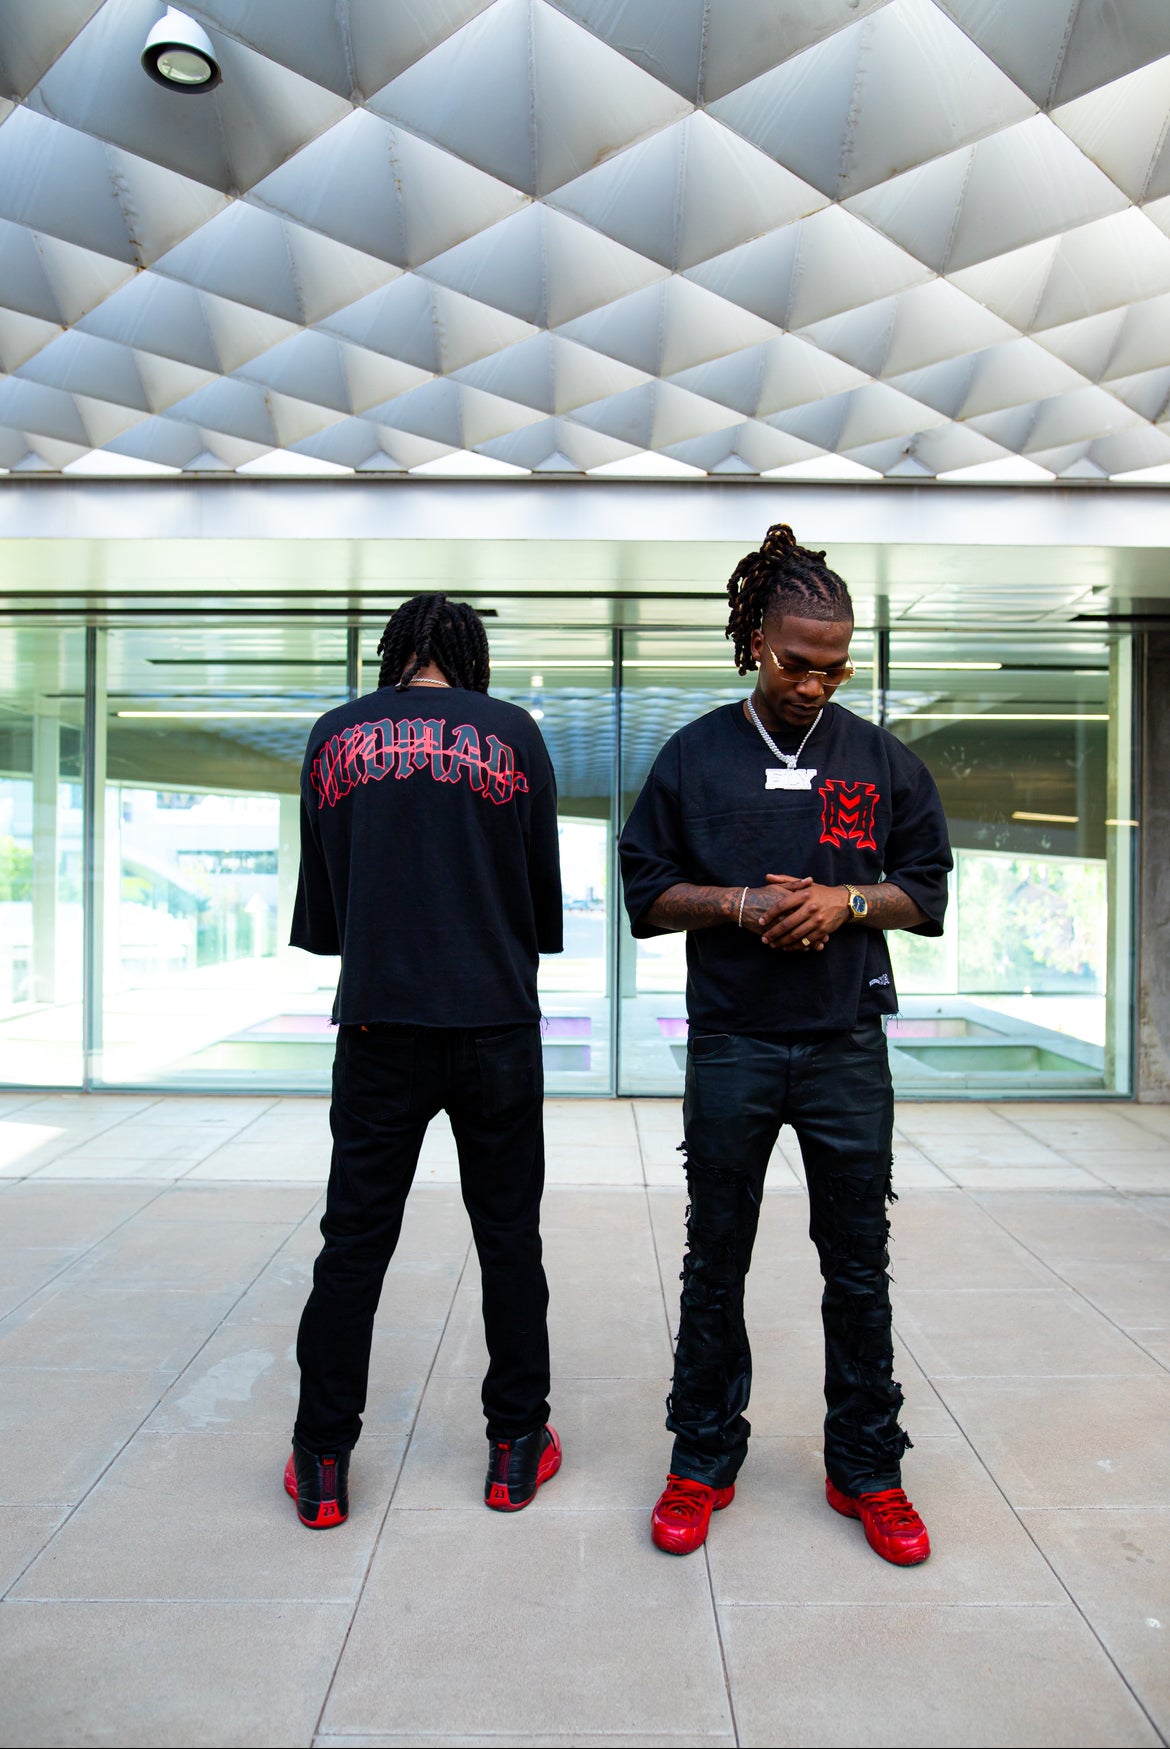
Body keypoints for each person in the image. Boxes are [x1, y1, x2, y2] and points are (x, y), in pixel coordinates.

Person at [619, 524, 952, 1566]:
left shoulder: (882, 760)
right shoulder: (695, 755)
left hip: (847, 1044)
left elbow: (926, 887)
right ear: (755, 642)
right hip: (734, 1044)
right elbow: (644, 889)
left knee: (858, 1267)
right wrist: (736, 901)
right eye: (797, 662)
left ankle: (868, 1470)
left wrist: (849, 902)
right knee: (715, 1260)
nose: (817, 682)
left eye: (836, 665)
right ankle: (701, 1457)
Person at [285, 594, 564, 1529]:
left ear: (394, 652)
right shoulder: (513, 734)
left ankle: (322, 1462)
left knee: (352, 1247)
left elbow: (325, 919)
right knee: (508, 1239)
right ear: (469, 655)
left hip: (377, 1029)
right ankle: (514, 1448)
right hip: (494, 1023)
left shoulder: (333, 739)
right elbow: (538, 901)